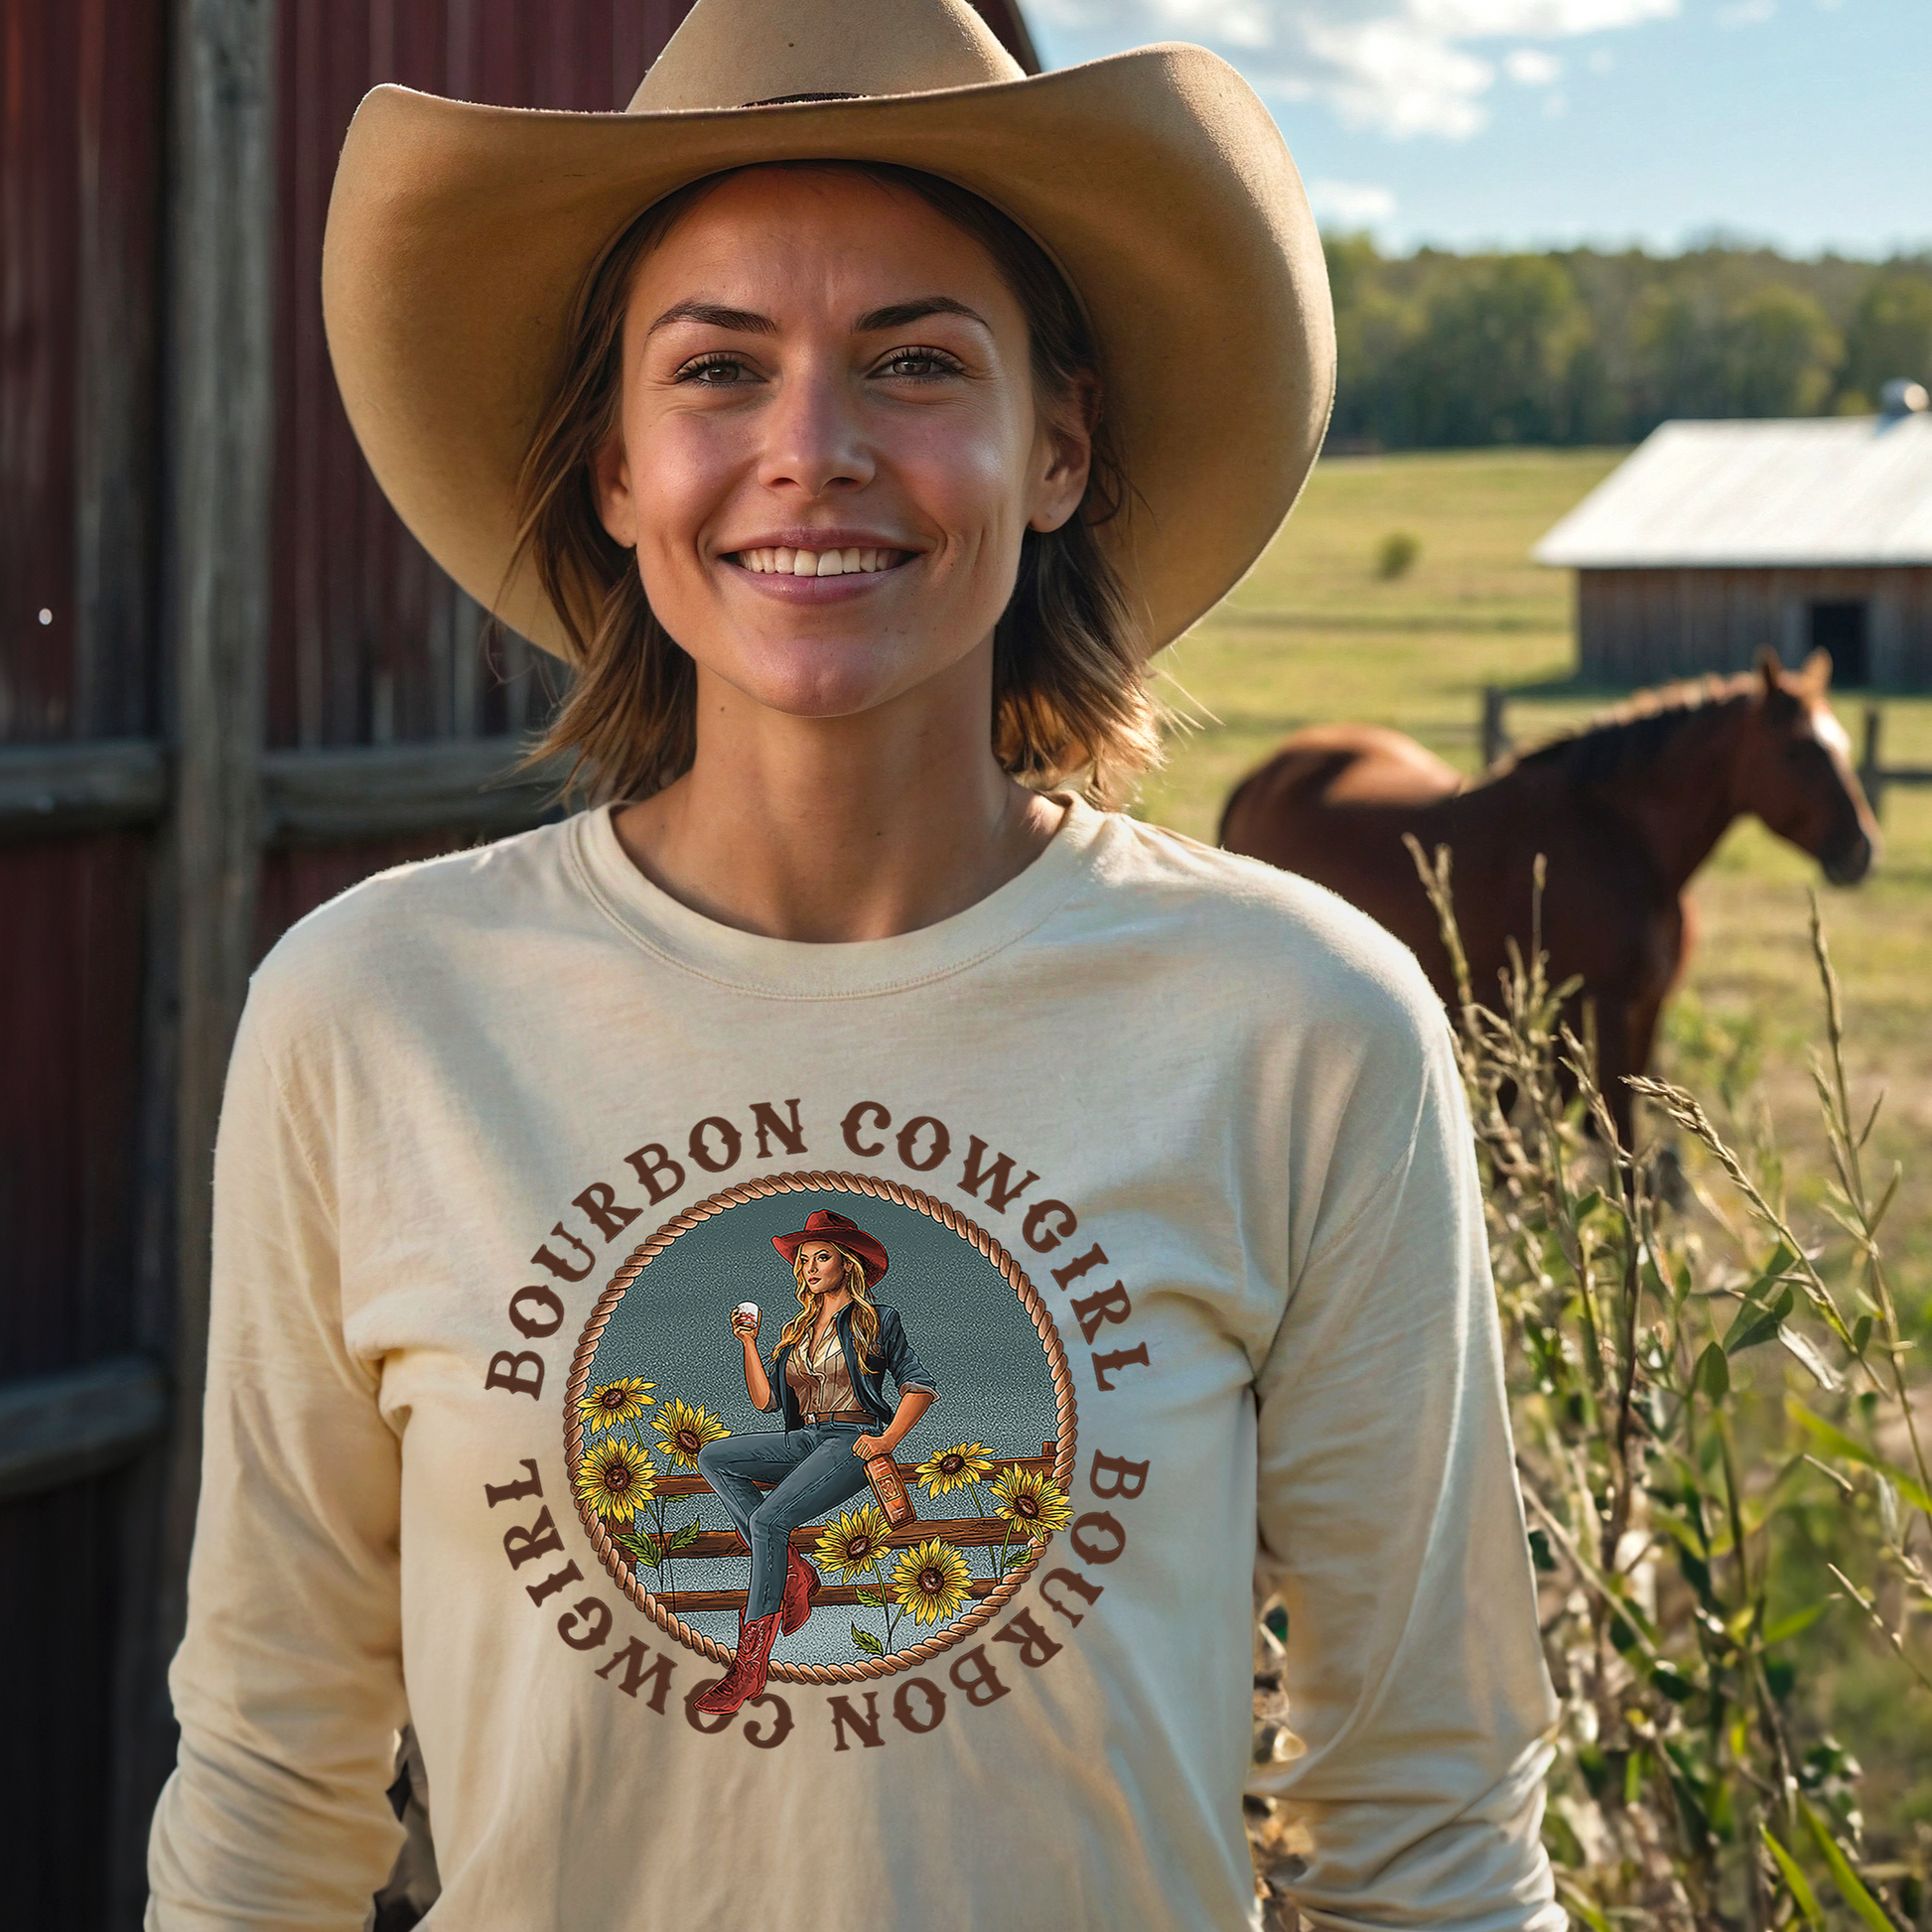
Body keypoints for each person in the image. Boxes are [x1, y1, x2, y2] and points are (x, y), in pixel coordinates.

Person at [146, 1, 1567, 1927]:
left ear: (1053, 445)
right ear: (620, 470)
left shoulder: (1300, 1030)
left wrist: (865, 1429)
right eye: (718, 370)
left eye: (911, 360)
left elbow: (1429, 1817)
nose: (808, 450)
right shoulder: (374, 1012)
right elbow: (268, 1767)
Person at [694, 1209, 936, 1712]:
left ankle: (749, 1668)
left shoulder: (878, 1319)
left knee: (766, 1521)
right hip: (806, 1436)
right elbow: (767, 1403)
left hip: (853, 1438)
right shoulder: (797, 1328)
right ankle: (792, 1574)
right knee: (715, 1456)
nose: (808, 1267)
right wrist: (749, 1344)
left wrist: (888, 1439)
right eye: (803, 1260)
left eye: (820, 1257)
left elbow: (919, 1384)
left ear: (846, 1264)